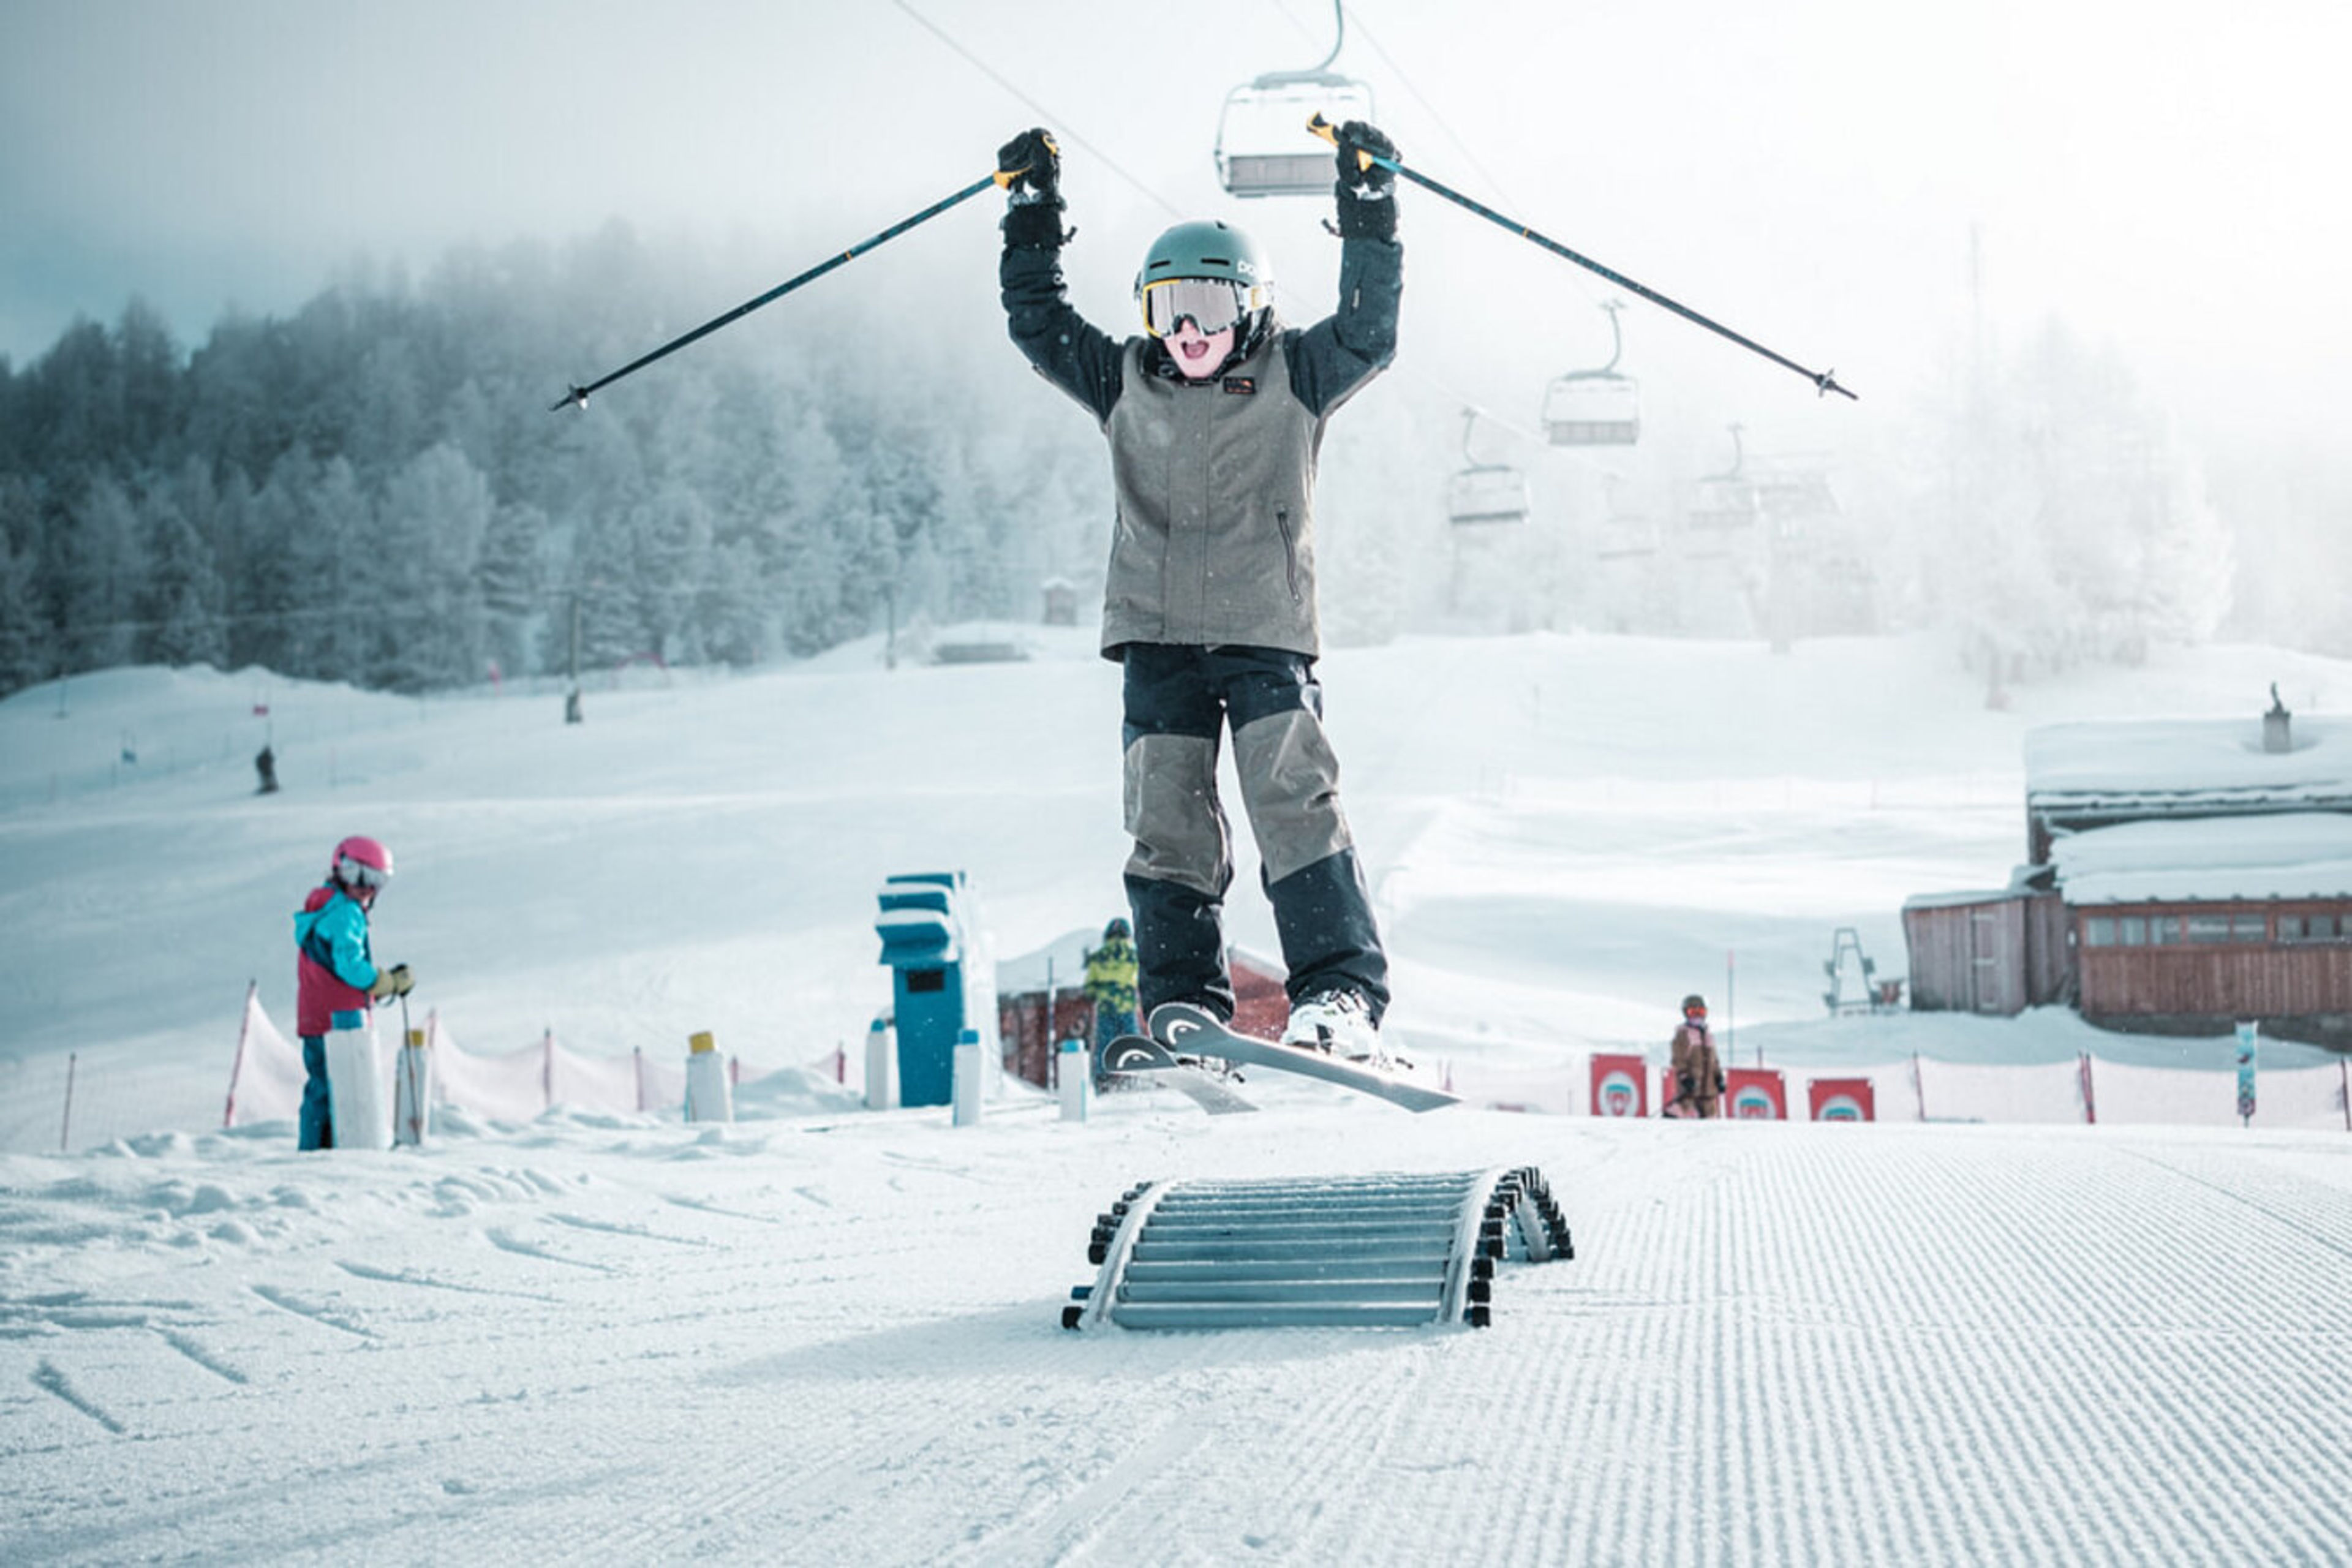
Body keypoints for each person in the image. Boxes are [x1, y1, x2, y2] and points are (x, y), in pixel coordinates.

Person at [995, 119, 1403, 1062]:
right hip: (1158, 639)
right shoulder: (1123, 381)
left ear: (1251, 308)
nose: (1189, 330)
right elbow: (1038, 323)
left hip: (1265, 633)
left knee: (1292, 804)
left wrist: (1371, 206)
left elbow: (1371, 329)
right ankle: (1185, 1010)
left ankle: (1340, 992)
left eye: (1211, 307)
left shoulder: (1296, 373)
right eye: (1170, 307)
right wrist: (1031, 211)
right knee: (1166, 826)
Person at [292, 835, 413, 1149]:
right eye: (355, 873)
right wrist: (385, 982)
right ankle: (324, 1150)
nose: (365, 886)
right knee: (344, 1086)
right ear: (338, 869)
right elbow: (349, 966)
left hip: (317, 1017)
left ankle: (320, 1146)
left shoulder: (324, 905)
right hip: (339, 1023)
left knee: (323, 1085)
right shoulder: (346, 913)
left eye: (375, 879)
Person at [1083, 916, 1140, 1055]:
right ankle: (1135, 1067)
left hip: (1106, 1007)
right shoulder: (1133, 956)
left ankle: (1104, 1074)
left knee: (1105, 1045)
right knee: (1133, 1042)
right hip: (1127, 1005)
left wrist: (1096, 993)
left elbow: (1090, 987)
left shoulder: (1098, 958)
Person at [1669, 994, 1724, 1119]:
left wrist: (1719, 1077)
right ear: (1686, 1014)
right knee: (1681, 1111)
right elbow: (1678, 1059)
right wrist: (1684, 1077)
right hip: (1691, 1088)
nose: (1697, 1016)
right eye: (1693, 1012)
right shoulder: (1683, 1034)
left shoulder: (1708, 1035)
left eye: (1701, 1012)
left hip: (1709, 1091)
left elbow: (1714, 1061)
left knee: (1710, 1119)